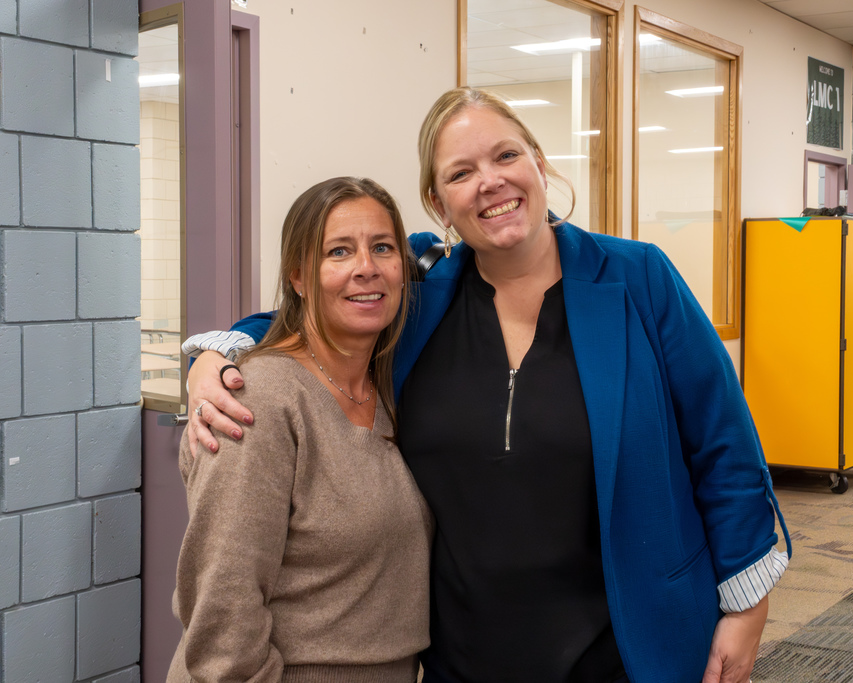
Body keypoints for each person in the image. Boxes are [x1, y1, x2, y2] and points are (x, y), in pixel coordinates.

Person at [183, 88, 791, 683]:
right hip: (465, 656)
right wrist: (220, 351)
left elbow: (724, 445)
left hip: (630, 647)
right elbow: (328, 308)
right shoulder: (421, 304)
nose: (490, 182)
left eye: (506, 156)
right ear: (439, 202)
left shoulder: (638, 279)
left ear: (539, 163)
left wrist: (746, 603)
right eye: (461, 172)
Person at [167, 177, 432, 683]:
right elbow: (224, 615)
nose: (366, 268)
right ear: (299, 276)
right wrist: (211, 352)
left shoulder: (387, 389)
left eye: (382, 248)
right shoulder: (256, 398)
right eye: (338, 251)